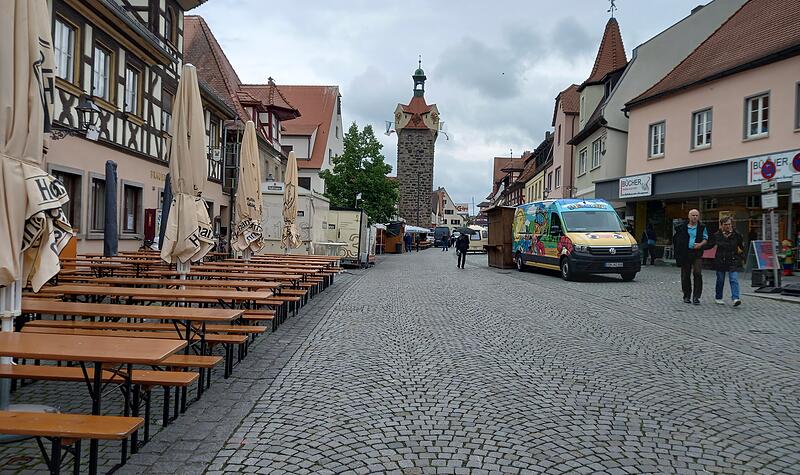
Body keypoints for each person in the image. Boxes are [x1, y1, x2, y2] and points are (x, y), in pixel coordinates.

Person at [673, 209, 708, 305]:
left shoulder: (702, 227)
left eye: (696, 215)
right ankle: (687, 295)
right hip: (685, 252)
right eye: (693, 215)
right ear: (689, 216)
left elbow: (705, 238)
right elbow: (677, 240)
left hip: (697, 253)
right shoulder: (682, 227)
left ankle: (696, 297)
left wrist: (700, 245)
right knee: (685, 275)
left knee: (697, 273)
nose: (695, 217)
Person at [707, 216, 743, 306]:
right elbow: (710, 245)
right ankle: (718, 297)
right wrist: (700, 246)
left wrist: (741, 256)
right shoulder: (717, 235)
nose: (728, 226)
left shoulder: (736, 234)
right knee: (720, 279)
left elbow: (741, 246)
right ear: (721, 225)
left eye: (729, 224)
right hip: (720, 260)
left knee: (733, 279)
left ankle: (735, 298)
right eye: (726, 224)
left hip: (733, 259)